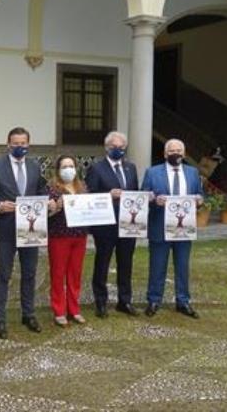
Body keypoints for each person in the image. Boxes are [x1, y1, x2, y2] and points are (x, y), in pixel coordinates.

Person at [0, 127, 55, 339]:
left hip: (31, 229)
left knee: (30, 273)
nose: (19, 147)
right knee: (4, 273)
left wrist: (50, 201)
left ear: (28, 144)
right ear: (8, 144)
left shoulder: (34, 167)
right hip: (6, 229)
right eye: (15, 144)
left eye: (23, 143)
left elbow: (41, 191)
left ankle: (28, 314)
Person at [141, 138, 204, 319]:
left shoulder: (193, 172)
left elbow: (199, 193)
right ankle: (153, 300)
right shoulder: (152, 172)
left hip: (184, 228)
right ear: (165, 153)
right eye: (171, 150)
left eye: (179, 150)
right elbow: (144, 195)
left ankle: (183, 301)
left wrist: (200, 200)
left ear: (184, 154)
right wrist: (153, 198)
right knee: (157, 266)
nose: (175, 153)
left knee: (183, 266)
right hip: (159, 227)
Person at [85, 131, 139, 318]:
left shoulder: (131, 168)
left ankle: (125, 301)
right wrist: (108, 195)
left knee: (126, 263)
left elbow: (135, 193)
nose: (118, 150)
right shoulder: (96, 168)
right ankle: (101, 301)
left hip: (128, 224)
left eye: (122, 147)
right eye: (114, 147)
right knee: (102, 263)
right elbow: (89, 195)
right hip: (105, 224)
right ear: (107, 148)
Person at [46, 155, 88, 327]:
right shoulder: (51, 188)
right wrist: (56, 207)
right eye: (64, 166)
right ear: (58, 170)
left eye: (71, 166)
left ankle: (74, 309)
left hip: (80, 236)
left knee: (75, 273)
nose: (68, 169)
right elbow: (46, 213)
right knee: (58, 273)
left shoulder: (82, 187)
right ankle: (59, 310)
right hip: (59, 236)